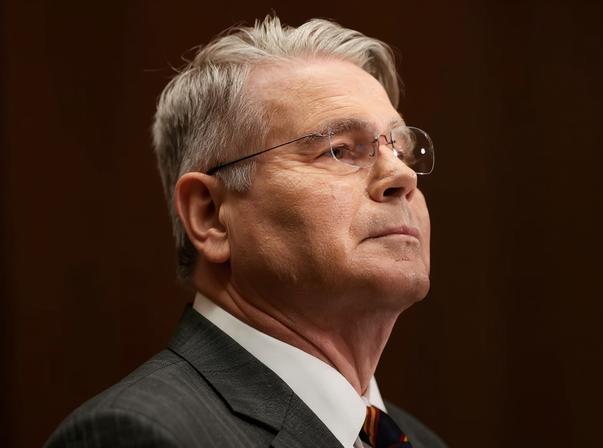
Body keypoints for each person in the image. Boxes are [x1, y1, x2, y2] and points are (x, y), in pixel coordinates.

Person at [45, 16, 444, 448]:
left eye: (400, 149)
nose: (402, 176)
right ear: (211, 214)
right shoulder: (138, 435)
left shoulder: (420, 442)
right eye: (340, 150)